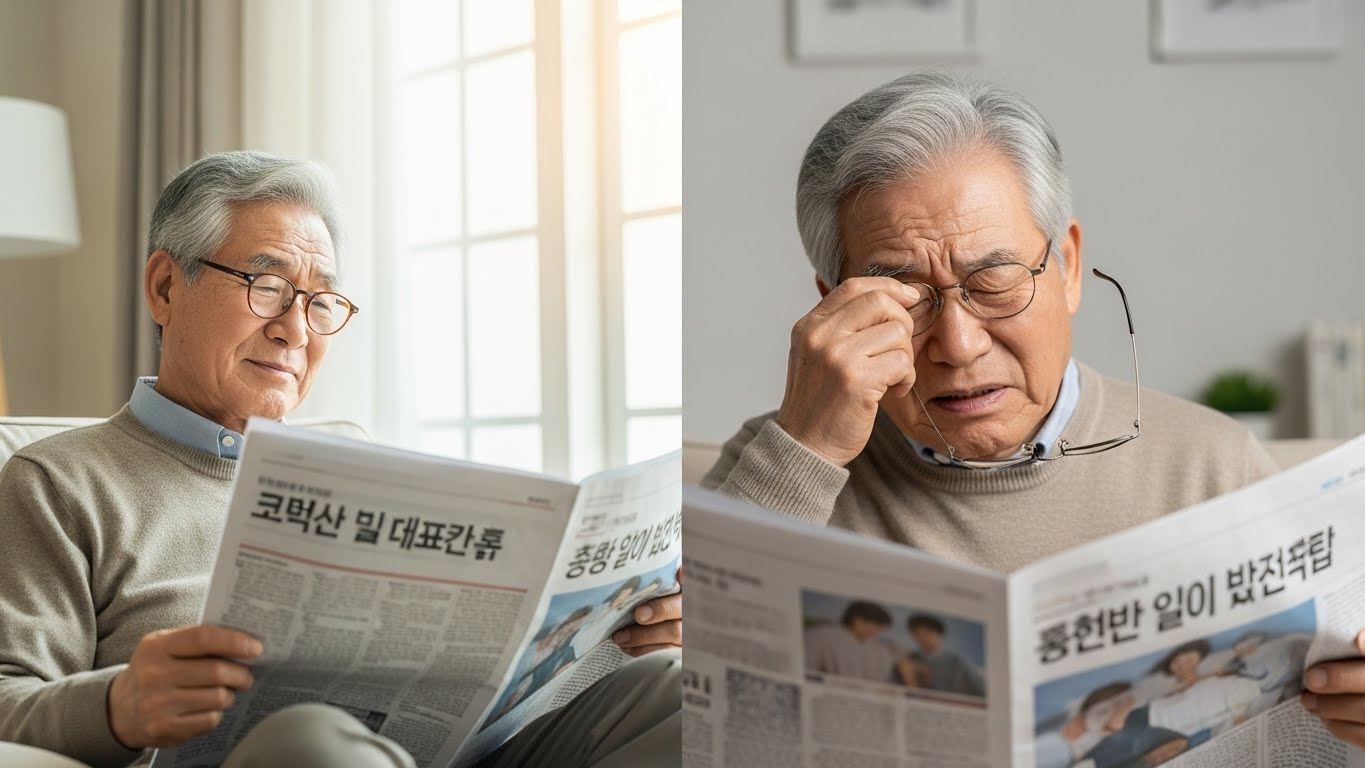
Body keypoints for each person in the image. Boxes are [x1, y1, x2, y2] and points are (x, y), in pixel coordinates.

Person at [699, 69, 1365, 748]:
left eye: (993, 283)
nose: (957, 346)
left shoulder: (1213, 466)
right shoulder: (780, 460)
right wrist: (804, 450)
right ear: (831, 307)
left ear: (1068, 266)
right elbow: (701, 715)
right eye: (902, 300)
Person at [0, 151, 681, 768]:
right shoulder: (58, 483)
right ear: (165, 288)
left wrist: (621, 632)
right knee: (312, 739)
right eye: (264, 286)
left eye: (320, 301)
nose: (294, 329)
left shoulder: (355, 466)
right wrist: (119, 705)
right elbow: (7, 698)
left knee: (668, 688)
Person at [803, 600, 898, 682]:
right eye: (877, 626)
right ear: (858, 621)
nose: (877, 632)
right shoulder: (820, 635)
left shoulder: (876, 647)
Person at [896, 614, 984, 697]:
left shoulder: (958, 663)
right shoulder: (907, 660)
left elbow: (979, 692)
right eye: (917, 634)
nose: (922, 638)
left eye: (927, 633)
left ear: (941, 634)